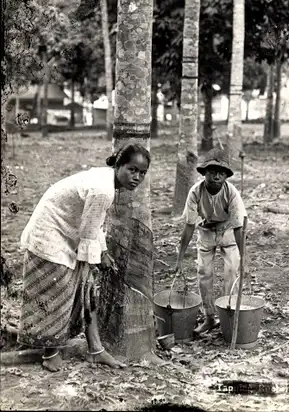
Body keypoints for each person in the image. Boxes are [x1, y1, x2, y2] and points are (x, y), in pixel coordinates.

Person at [17, 143, 150, 372]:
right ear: (119, 165)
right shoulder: (103, 190)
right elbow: (89, 233)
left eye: (142, 172)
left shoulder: (107, 182)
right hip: (48, 235)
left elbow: (94, 224)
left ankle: (96, 349)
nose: (137, 177)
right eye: (132, 169)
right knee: (57, 294)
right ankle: (51, 352)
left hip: (67, 233)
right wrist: (97, 260)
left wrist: (103, 253)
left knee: (87, 289)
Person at [175, 147, 247, 335]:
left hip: (227, 231)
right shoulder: (195, 192)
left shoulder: (231, 193)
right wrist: (180, 258)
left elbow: (239, 227)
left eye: (221, 173)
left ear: (226, 176)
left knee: (232, 272)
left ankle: (227, 316)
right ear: (204, 172)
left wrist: (243, 257)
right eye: (212, 171)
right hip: (205, 231)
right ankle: (209, 317)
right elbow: (189, 226)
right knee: (204, 273)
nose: (216, 176)